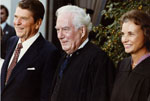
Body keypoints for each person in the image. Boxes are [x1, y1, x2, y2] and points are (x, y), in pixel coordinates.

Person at [50, 5, 116, 101]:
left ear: (82, 31)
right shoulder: (65, 57)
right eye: (57, 30)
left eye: (65, 29)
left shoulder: (99, 60)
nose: (60, 36)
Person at [1, 0, 60, 101]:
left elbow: (46, 95)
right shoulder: (11, 41)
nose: (17, 22)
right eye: (16, 17)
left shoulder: (49, 52)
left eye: (23, 18)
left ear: (37, 23)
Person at [111, 10, 150, 101]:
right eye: (123, 34)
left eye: (131, 34)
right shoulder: (122, 65)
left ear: (146, 34)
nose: (124, 40)